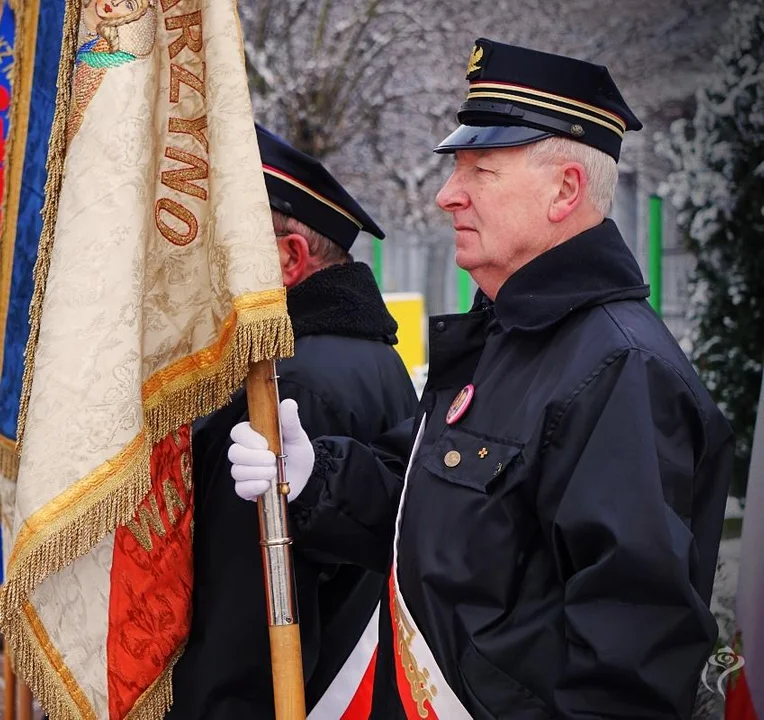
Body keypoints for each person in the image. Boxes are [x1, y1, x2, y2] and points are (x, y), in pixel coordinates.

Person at [227, 39, 733, 719]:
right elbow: (430, 512)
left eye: (479, 169)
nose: (445, 195)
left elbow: (628, 664)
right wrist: (315, 472)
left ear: (565, 190)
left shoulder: (621, 369)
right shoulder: (511, 339)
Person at [167, 125, 420, 718]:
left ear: (288, 259)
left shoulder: (279, 387)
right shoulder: (364, 354)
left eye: (223, 241)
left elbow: (246, 634)